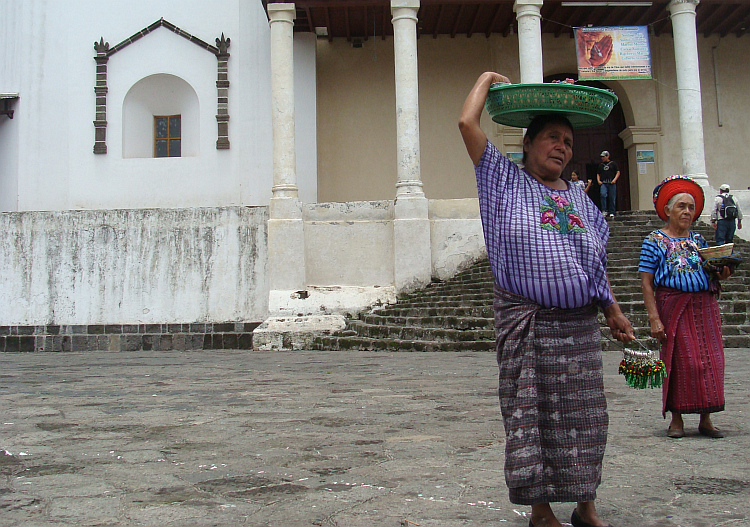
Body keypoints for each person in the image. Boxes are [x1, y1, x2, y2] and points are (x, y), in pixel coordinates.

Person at [459, 71, 634, 527]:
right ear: (529, 142)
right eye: (552, 138)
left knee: (586, 416)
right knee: (533, 414)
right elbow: (466, 124)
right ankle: (540, 511)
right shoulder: (503, 180)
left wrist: (612, 308)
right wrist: (486, 78)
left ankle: (585, 505)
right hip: (530, 325)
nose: (562, 147)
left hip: (578, 329)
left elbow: (595, 261)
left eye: (569, 142)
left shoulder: (579, 198)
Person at [639, 175, 733, 440]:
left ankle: (706, 418)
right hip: (673, 306)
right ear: (667, 210)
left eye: (691, 207)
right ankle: (676, 419)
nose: (687, 212)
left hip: (704, 307)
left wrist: (721, 273)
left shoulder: (699, 241)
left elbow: (710, 271)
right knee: (679, 362)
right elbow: (646, 283)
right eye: (681, 206)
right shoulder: (654, 241)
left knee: (709, 360)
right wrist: (654, 318)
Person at [596, 151, 619, 218]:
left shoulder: (613, 164)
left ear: (608, 156)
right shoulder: (601, 165)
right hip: (604, 183)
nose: (602, 158)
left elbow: (618, 172)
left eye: (604, 156)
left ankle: (612, 211)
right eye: (602, 157)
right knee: (603, 195)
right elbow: (598, 173)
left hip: (611, 183)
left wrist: (614, 180)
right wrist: (598, 180)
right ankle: (604, 210)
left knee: (612, 197)